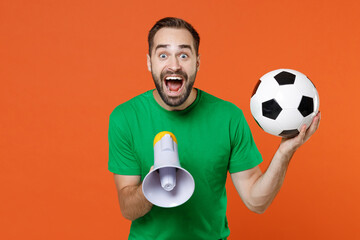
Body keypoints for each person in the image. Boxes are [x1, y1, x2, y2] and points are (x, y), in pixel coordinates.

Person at [108, 17, 320, 240]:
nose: (174, 65)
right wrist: (152, 185)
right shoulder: (125, 118)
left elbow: (256, 202)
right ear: (149, 62)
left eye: (183, 55)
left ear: (197, 62)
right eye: (163, 55)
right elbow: (128, 209)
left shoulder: (228, 117)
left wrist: (284, 152)